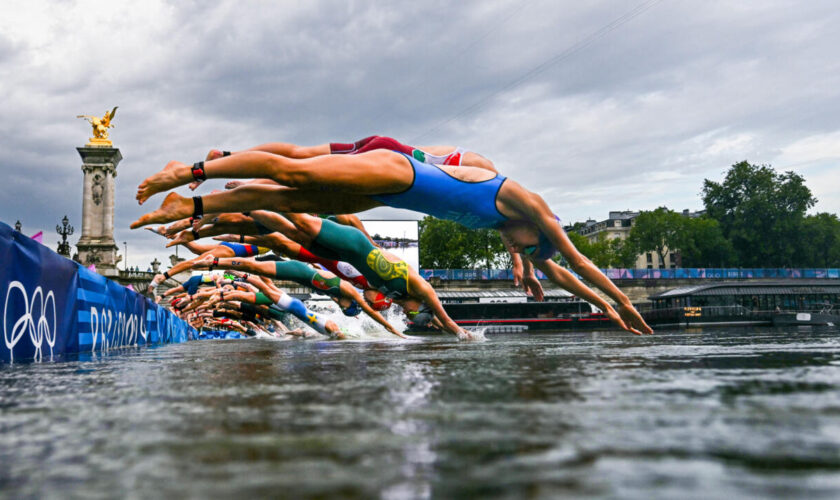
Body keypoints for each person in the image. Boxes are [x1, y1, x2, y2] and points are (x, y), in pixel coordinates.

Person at [133, 148, 653, 335]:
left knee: (292, 201)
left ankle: (193, 209)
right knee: (292, 174)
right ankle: (191, 173)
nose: (523, 253)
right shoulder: (528, 204)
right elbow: (576, 259)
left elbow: (560, 272)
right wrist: (623, 300)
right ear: (540, 229)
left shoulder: (513, 232)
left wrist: (603, 309)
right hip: (397, 170)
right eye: (530, 250)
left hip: (391, 194)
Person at [190, 254, 406, 338]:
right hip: (299, 274)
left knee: (262, 286)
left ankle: (228, 271)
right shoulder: (348, 291)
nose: (341, 307)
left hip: (299, 288)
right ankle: (221, 264)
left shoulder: (339, 295)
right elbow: (368, 310)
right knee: (261, 280)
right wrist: (393, 330)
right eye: (345, 308)